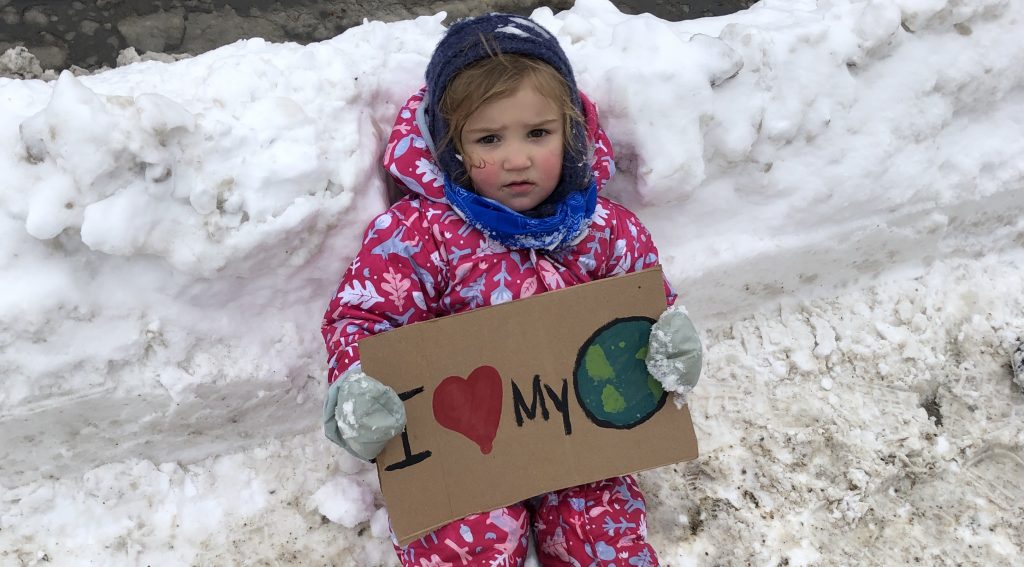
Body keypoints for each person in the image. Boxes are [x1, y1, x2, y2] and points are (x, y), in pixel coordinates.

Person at [321, 12, 702, 566]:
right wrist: (357, 385)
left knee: (602, 531)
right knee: (463, 539)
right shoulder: (420, 236)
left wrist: (671, 348)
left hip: (582, 435)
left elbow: (647, 308)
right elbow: (363, 318)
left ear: (570, 132)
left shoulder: (605, 231)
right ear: (452, 147)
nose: (517, 158)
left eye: (538, 134)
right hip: (459, 450)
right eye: (489, 139)